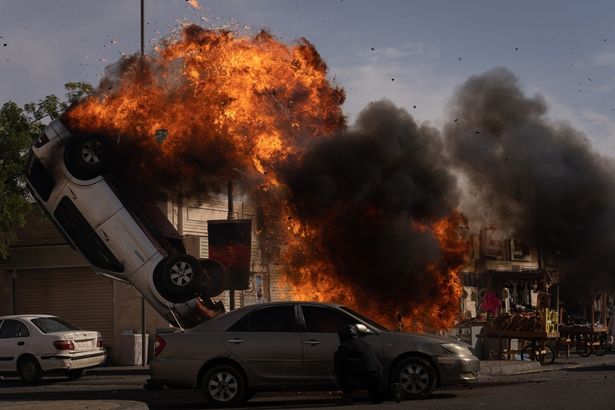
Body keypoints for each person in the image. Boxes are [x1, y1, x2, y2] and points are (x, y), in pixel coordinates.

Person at [334, 324, 384, 404]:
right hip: (377, 377)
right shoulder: (366, 345)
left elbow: (339, 363)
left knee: (340, 365)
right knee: (375, 398)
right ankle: (376, 396)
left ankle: (348, 398)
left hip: (363, 378)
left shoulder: (345, 346)